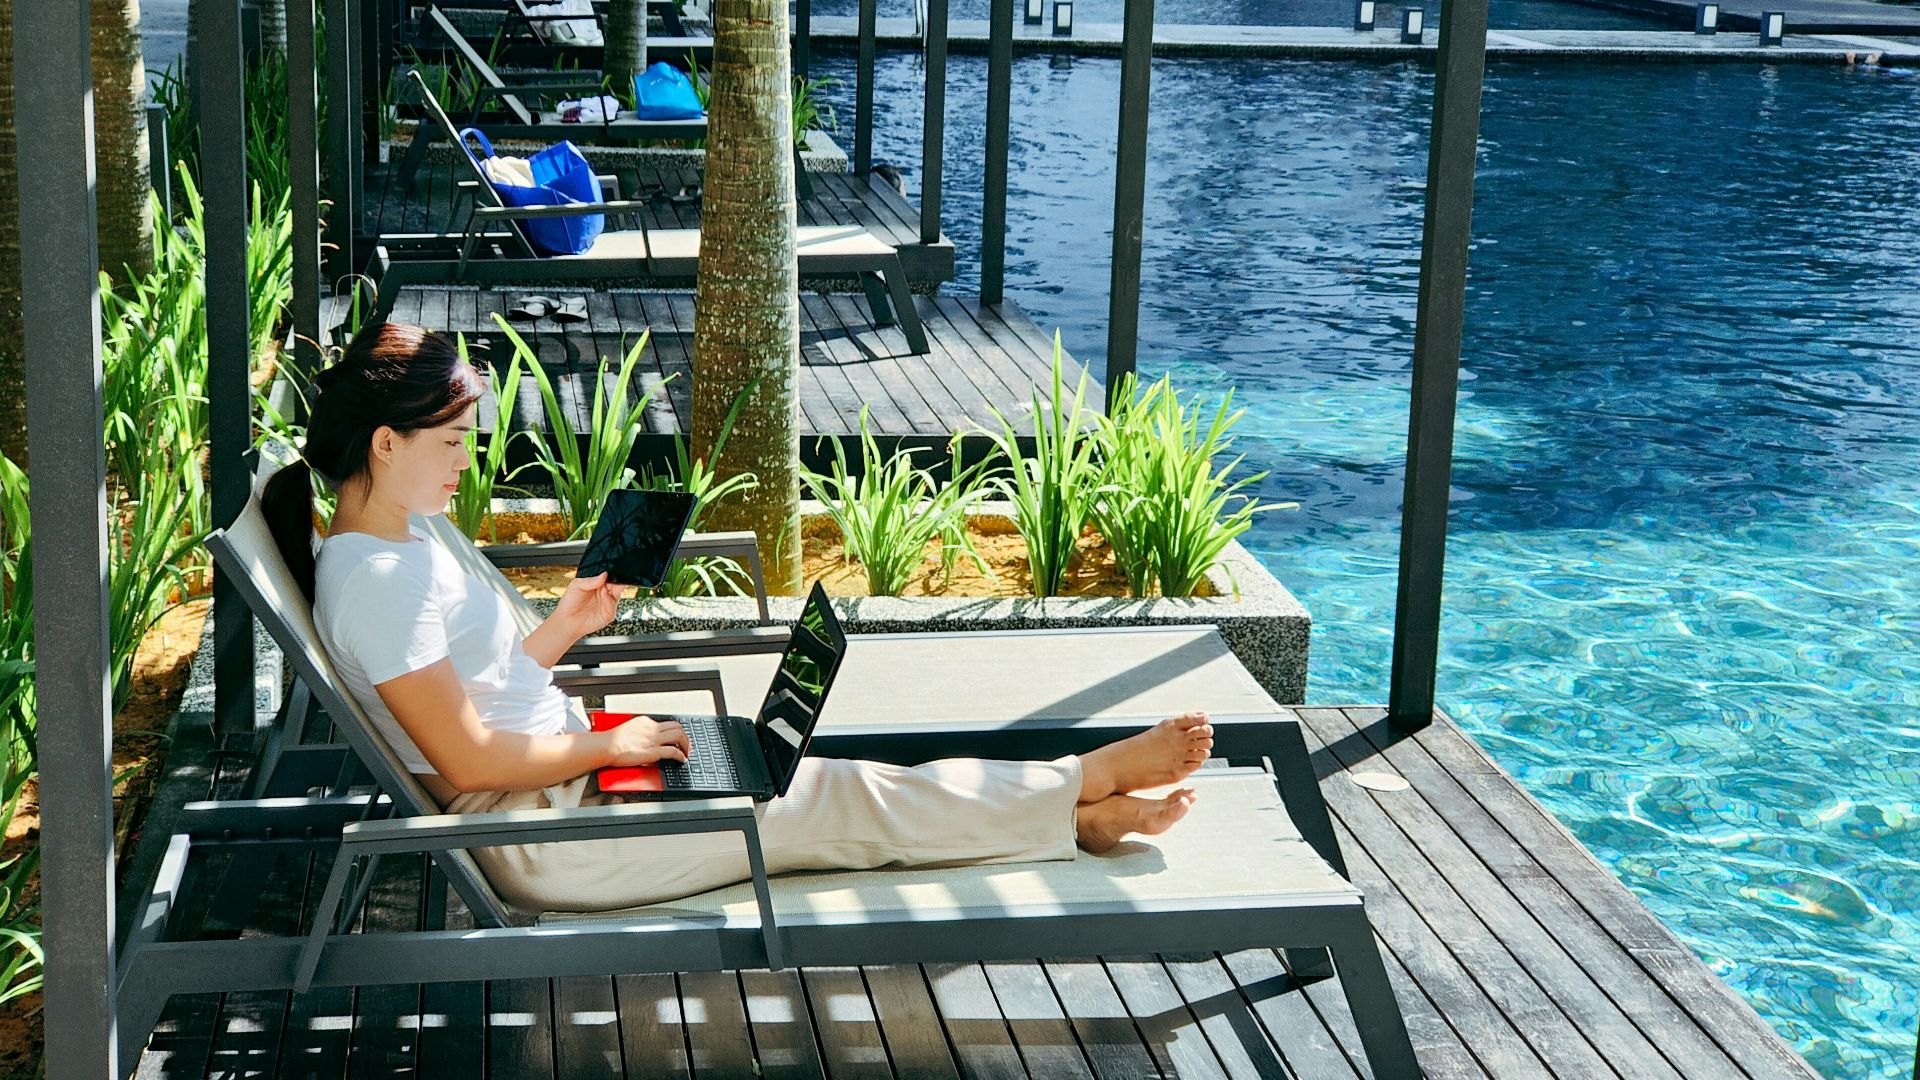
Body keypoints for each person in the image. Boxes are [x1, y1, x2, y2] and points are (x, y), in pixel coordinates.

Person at [261, 323, 1215, 913]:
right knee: (839, 799)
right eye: (454, 441)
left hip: (562, 786)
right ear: (385, 445)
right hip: (542, 837)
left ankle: (1065, 808)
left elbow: (474, 690)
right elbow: (466, 764)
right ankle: (1077, 791)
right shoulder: (377, 581)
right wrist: (610, 746)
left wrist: (564, 630)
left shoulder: (402, 537)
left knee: (817, 782)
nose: (469, 458)